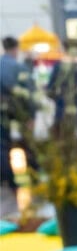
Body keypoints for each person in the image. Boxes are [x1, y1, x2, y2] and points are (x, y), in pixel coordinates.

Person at [1, 36, 32, 188]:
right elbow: (28, 91)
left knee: (2, 147)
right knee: (27, 145)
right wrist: (31, 116)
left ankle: (9, 180)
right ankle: (33, 176)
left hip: (2, 115)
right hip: (19, 112)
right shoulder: (19, 67)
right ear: (15, 49)